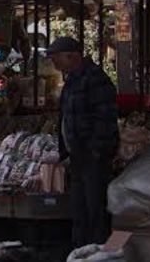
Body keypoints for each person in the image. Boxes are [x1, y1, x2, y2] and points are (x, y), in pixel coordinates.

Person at [47, 37, 120, 248]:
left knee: (95, 208)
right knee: (80, 209)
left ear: (73, 56)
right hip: (78, 157)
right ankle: (80, 250)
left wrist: (96, 151)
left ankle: (99, 251)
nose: (54, 64)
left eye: (56, 58)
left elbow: (105, 119)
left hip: (93, 157)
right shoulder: (72, 80)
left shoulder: (94, 78)